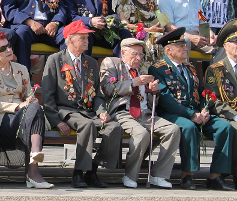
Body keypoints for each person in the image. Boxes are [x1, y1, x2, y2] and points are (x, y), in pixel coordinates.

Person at [149, 27, 233, 190]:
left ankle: (216, 176)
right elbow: (166, 99)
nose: (185, 49)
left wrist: (204, 110)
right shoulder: (158, 68)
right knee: (189, 127)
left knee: (225, 127)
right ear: (169, 50)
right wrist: (191, 115)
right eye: (180, 46)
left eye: (185, 46)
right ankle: (187, 174)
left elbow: (201, 92)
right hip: (173, 113)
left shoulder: (190, 67)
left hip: (196, 112)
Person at [41, 20, 121, 188]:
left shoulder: (91, 62)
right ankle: (78, 172)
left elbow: (97, 94)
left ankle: (93, 170)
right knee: (87, 125)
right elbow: (47, 95)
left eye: (87, 37)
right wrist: (56, 120)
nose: (87, 41)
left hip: (88, 111)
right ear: (70, 39)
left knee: (114, 127)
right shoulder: (55, 60)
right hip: (66, 110)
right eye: (82, 38)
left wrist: (101, 111)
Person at [99, 38, 179, 189]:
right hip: (124, 111)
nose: (138, 58)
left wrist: (153, 91)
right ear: (123, 53)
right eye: (134, 54)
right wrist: (133, 83)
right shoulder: (112, 63)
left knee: (173, 130)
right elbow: (107, 88)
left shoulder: (143, 69)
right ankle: (130, 175)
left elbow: (150, 101)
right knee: (141, 134)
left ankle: (159, 175)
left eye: (141, 54)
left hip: (145, 113)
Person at [0, 31, 53, 189]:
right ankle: (33, 171)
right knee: (34, 111)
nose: (9, 50)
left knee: (34, 107)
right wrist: (17, 106)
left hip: (26, 113)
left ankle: (34, 158)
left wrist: (30, 100)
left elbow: (29, 94)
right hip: (3, 117)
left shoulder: (21, 69)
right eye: (2, 49)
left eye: (8, 45)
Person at [204, 19, 237, 184]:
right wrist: (234, 115)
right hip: (224, 115)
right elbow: (213, 100)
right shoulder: (215, 69)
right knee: (234, 127)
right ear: (225, 46)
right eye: (235, 42)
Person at [117, 0, 166, 68]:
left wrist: (166, 27)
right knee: (154, 39)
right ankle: (149, 72)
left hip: (154, 32)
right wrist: (147, 30)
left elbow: (161, 18)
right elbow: (124, 24)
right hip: (135, 34)